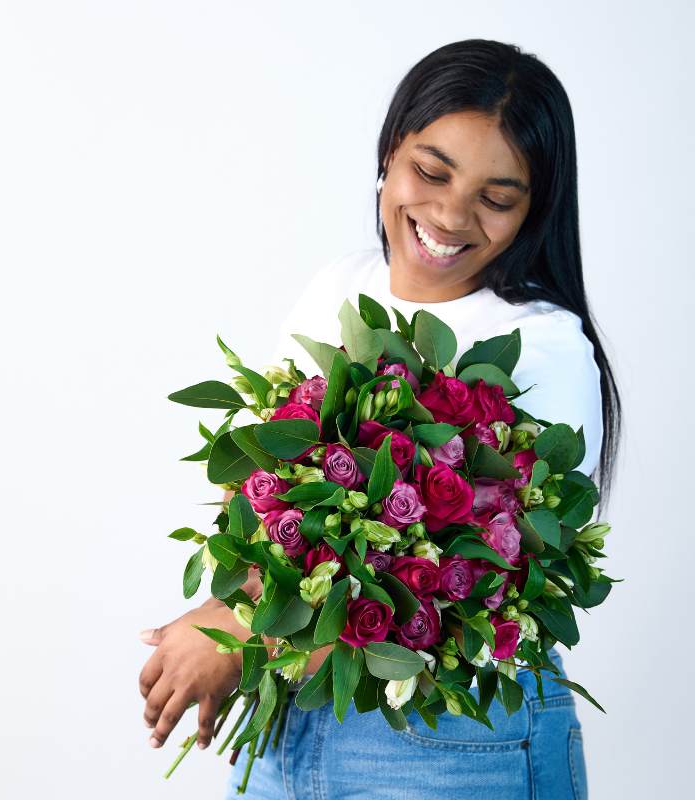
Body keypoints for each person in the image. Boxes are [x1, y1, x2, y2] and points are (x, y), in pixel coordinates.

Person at [138, 38, 622, 799]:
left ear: (534, 210)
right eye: (431, 171)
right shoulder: (340, 284)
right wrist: (232, 613)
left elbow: (488, 581)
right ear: (390, 153)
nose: (450, 213)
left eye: (497, 197)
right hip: (292, 721)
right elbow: (274, 490)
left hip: (454, 742)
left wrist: (245, 631)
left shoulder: (543, 344)